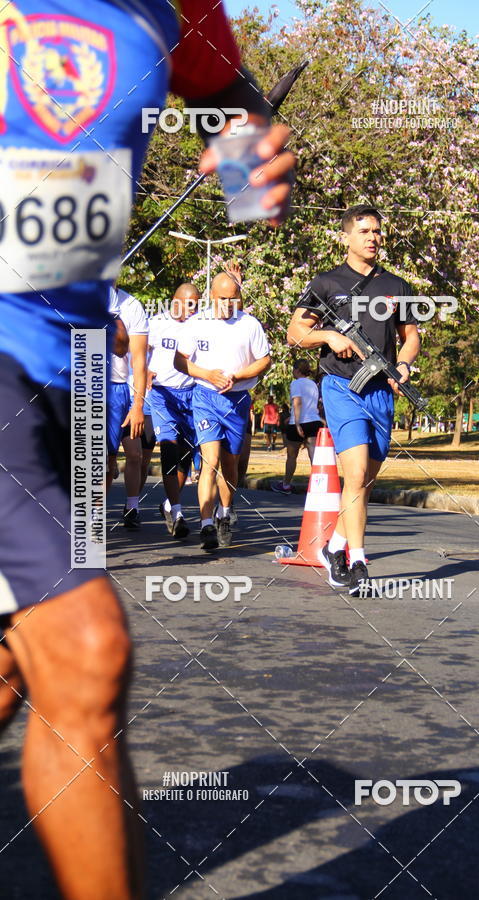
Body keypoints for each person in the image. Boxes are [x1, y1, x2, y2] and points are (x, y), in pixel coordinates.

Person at [0, 2, 295, 897]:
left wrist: (254, 139)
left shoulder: (178, 9)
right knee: (87, 650)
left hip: (67, 374)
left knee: (17, 666)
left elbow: (232, 94)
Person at [287, 204, 420, 595]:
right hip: (342, 387)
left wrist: (405, 365)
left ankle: (335, 547)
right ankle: (358, 560)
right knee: (356, 473)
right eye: (364, 231)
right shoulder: (326, 283)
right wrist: (329, 336)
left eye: (377, 231)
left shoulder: (396, 285)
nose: (374, 237)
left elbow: (410, 336)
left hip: (381, 390)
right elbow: (296, 331)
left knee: (365, 482)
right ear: (346, 237)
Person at [175, 271, 271, 550]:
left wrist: (238, 377)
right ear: (211, 296)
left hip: (238, 400)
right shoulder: (197, 323)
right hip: (205, 398)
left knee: (230, 464)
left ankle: (224, 514)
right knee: (210, 460)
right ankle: (206, 525)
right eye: (222, 299)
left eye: (233, 299)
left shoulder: (250, 325)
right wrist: (207, 374)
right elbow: (180, 362)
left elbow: (264, 360)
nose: (228, 304)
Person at [147, 283, 200, 538]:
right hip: (162, 394)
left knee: (185, 455)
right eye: (189, 303)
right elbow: (139, 353)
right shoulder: (155, 323)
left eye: (197, 304)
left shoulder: (200, 324)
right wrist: (142, 372)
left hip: (190, 396)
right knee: (168, 449)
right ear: (175, 300)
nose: (193, 309)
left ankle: (168, 505)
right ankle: (178, 513)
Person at [107, 286, 149, 529]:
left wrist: (138, 405)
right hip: (82, 385)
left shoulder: (130, 305)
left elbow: (131, 354)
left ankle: (131, 506)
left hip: (120, 389)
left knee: (132, 454)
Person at [273, 359, 322, 494]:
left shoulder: (296, 383)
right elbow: (313, 404)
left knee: (292, 455)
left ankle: (286, 484)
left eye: (293, 370)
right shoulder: (313, 384)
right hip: (314, 421)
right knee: (314, 455)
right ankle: (319, 486)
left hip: (299, 423)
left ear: (297, 370)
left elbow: (298, 402)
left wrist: (297, 423)